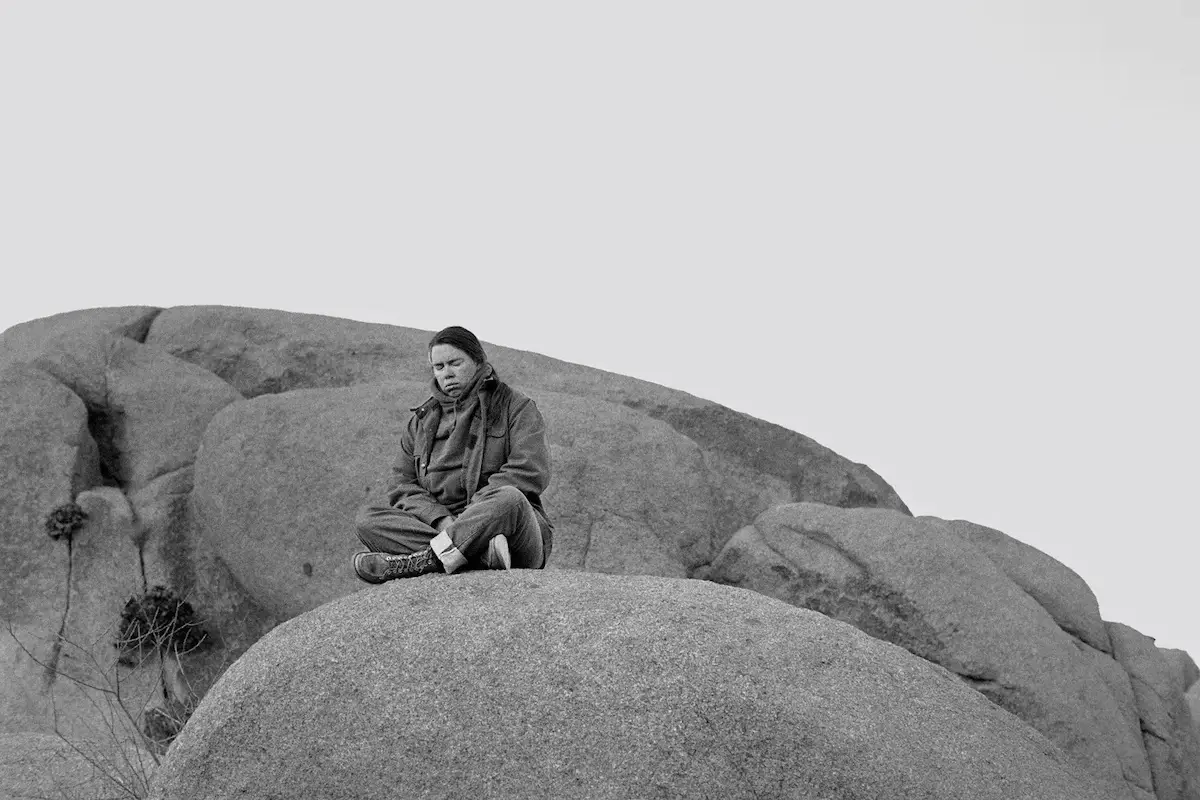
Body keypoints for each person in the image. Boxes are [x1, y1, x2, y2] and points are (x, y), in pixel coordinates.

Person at [353, 326, 553, 582]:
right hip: (446, 527)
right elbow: (401, 484)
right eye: (439, 367)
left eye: (455, 363)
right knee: (368, 519)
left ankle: (424, 560)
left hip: (506, 530)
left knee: (510, 498)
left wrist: (471, 518)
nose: (447, 374)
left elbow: (530, 469)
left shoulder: (516, 406)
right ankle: (475, 555)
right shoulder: (420, 421)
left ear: (478, 360)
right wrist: (441, 521)